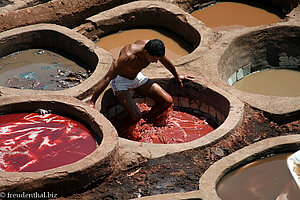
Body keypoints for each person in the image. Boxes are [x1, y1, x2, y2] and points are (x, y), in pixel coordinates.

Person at [88, 39, 191, 131]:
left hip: (136, 77)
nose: (156, 62)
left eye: (157, 59)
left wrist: (177, 76)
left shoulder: (153, 48)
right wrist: (92, 101)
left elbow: (166, 62)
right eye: (154, 59)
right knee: (136, 116)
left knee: (167, 100)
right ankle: (126, 131)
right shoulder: (128, 57)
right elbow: (107, 78)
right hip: (120, 81)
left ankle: (147, 121)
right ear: (146, 53)